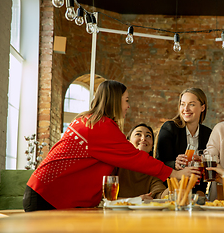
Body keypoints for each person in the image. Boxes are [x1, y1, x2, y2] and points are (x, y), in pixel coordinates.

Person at [23, 80, 197, 211]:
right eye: (126, 100)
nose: (128, 106)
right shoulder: (101, 126)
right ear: (115, 101)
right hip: (48, 195)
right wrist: (176, 173)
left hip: (43, 190)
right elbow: (135, 157)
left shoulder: (87, 120)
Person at [156, 88, 212, 195]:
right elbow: (159, 162)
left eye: (191, 104)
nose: (185, 109)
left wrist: (201, 192)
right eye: (182, 104)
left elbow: (207, 166)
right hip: (171, 190)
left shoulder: (208, 133)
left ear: (202, 107)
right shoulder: (169, 128)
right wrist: (175, 164)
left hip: (196, 192)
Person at [117, 123, 168, 200]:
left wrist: (181, 183)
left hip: (142, 212)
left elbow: (160, 195)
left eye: (148, 136)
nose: (143, 138)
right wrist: (136, 200)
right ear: (128, 142)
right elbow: (105, 197)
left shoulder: (154, 169)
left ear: (152, 146)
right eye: (138, 134)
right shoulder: (116, 163)